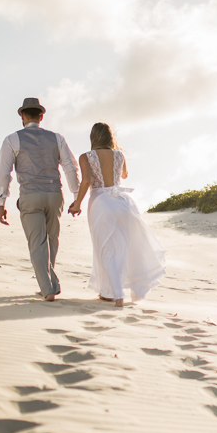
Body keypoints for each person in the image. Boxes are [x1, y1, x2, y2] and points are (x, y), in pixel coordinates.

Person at [67, 123, 165, 307]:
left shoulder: (86, 157)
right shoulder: (120, 155)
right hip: (123, 202)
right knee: (124, 248)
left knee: (106, 248)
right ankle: (112, 292)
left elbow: (87, 180)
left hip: (101, 202)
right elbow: (125, 175)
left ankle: (116, 294)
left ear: (93, 137)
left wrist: (77, 203)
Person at [0, 97, 80, 301]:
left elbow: (4, 173)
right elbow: (70, 166)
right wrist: (76, 196)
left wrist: (2, 203)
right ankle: (51, 282)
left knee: (37, 243)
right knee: (52, 239)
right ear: (41, 116)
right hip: (54, 195)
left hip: (30, 196)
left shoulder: (12, 140)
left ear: (22, 116)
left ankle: (48, 289)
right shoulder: (57, 138)